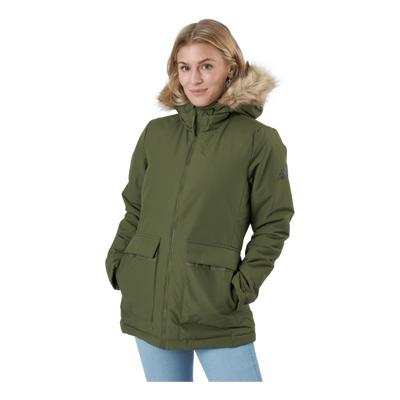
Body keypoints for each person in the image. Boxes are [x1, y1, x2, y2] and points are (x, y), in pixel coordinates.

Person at [104, 16, 295, 385]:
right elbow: (134, 209)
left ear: (231, 67)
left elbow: (274, 222)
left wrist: (242, 288)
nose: (194, 79)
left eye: (206, 66)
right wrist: (118, 265)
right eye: (185, 67)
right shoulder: (156, 133)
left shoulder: (259, 140)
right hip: (148, 299)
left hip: (213, 303)